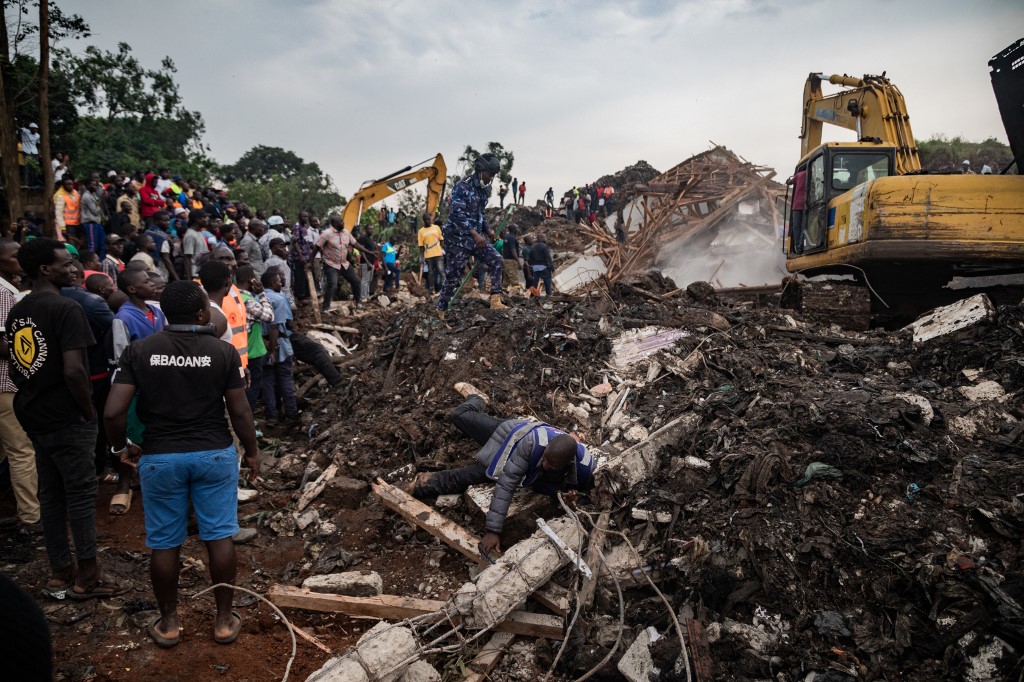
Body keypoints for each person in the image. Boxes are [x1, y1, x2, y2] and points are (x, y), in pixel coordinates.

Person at [104, 280, 260, 648]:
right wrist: (253, 452)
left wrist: (120, 448)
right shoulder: (222, 352)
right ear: (203, 314)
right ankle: (224, 622)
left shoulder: (141, 351)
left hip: (160, 457)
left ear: (165, 314)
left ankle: (170, 623)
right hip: (214, 454)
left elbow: (112, 411)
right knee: (218, 536)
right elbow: (240, 410)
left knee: (165, 543)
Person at [6, 238, 128, 599]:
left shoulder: (19, 310)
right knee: (81, 493)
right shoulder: (67, 309)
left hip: (34, 412)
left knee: (52, 492)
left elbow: (17, 364)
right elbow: (74, 370)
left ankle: (60, 570)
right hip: (67, 415)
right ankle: (88, 576)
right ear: (45, 270)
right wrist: (88, 412)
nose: (74, 269)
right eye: (65, 264)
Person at [409, 383, 594, 554]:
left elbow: (588, 499)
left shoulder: (585, 469)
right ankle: (478, 399)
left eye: (551, 465)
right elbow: (507, 483)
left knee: (463, 477)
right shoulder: (533, 444)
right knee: (459, 415)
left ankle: (420, 485)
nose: (545, 465)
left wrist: (574, 499)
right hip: (510, 434)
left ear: (566, 464)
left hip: (518, 460)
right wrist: (493, 530)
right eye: (544, 459)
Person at [435, 153, 508, 317]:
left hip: (477, 238)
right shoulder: (462, 186)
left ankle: (495, 300)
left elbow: (480, 213)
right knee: (453, 277)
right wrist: (474, 234)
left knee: (496, 260)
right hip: (458, 239)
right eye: (490, 174)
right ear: (481, 170)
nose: (491, 178)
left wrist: (488, 230)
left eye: (494, 175)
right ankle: (440, 311)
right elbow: (456, 214)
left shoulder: (484, 190)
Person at [0, 240, 40, 533]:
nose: (20, 260)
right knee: (21, 451)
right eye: (14, 256)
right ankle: (31, 517)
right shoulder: (3, 293)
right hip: (6, 383)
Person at [260, 268, 298, 428]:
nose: (281, 284)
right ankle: (292, 414)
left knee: (268, 381)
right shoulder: (279, 299)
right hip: (279, 345)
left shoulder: (256, 298)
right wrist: (273, 350)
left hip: (262, 344)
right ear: (271, 283)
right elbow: (278, 325)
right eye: (278, 281)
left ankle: (272, 416)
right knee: (285, 380)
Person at [235, 265, 274, 411]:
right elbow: (269, 316)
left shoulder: (232, 298)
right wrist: (262, 294)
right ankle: (248, 419)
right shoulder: (248, 301)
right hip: (252, 353)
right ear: (251, 280)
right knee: (251, 388)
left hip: (237, 352)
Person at [310, 216, 360, 313]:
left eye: (342, 221)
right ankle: (325, 307)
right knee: (332, 284)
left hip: (343, 264)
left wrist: (368, 251)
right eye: (340, 222)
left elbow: (355, 244)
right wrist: (310, 261)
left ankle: (358, 302)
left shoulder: (346, 233)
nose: (342, 223)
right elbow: (316, 247)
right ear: (334, 224)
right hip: (331, 264)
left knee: (356, 281)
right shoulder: (326, 234)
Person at [417, 214, 445, 294]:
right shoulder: (421, 231)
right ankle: (432, 289)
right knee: (430, 273)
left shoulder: (436, 228)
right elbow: (421, 246)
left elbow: (441, 239)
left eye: (429, 219)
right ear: (424, 220)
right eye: (426, 220)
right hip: (428, 256)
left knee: (441, 271)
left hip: (438, 254)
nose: (428, 221)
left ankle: (445, 288)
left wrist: (442, 249)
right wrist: (422, 257)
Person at [53, 175, 81, 244]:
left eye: (71, 184)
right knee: (72, 243)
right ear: (63, 185)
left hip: (78, 222)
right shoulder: (60, 196)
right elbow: (58, 214)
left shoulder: (75, 192)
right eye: (68, 184)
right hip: (68, 224)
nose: (70, 186)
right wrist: (63, 228)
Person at [265, 238, 293, 304]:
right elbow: (285, 285)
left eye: (285, 247)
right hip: (282, 298)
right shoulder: (281, 263)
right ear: (273, 249)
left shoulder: (267, 262)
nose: (285, 249)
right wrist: (291, 302)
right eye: (281, 247)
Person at [182, 209, 210, 278]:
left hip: (202, 271)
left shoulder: (198, 232)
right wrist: (189, 279)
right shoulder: (190, 235)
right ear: (197, 219)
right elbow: (187, 258)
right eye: (204, 217)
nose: (206, 219)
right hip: (195, 273)